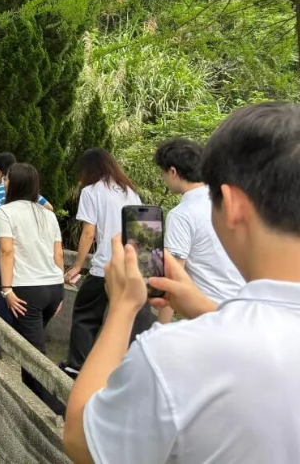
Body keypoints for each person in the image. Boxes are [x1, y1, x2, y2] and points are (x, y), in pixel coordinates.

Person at [64, 102, 300, 464]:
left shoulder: (173, 356)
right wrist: (206, 309)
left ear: (233, 205)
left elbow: (81, 440)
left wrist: (123, 309)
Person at [62, 149, 153, 377]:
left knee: (85, 314)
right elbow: (141, 231)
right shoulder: (130, 191)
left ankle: (77, 366)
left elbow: (88, 233)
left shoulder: (91, 191)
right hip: (131, 267)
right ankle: (130, 369)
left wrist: (77, 266)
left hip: (105, 266)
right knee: (130, 318)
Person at [0, 163, 65, 414]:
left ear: (13, 183)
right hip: (53, 287)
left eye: (6, 179)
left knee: (35, 353)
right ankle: (31, 404)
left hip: (27, 289)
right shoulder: (48, 214)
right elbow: (58, 254)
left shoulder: (6, 212)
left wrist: (6, 289)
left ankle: (59, 410)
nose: (4, 183)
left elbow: (7, 251)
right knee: (29, 345)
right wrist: (61, 291)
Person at [153, 138, 244, 323]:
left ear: (173, 172)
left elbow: (173, 279)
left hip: (210, 315)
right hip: (245, 308)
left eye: (163, 172)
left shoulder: (181, 215)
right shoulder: (229, 203)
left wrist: (161, 328)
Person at [0, 151, 52, 325]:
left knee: (3, 288)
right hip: (28, 249)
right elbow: (49, 208)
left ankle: (7, 328)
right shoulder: (30, 193)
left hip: (5, 245)